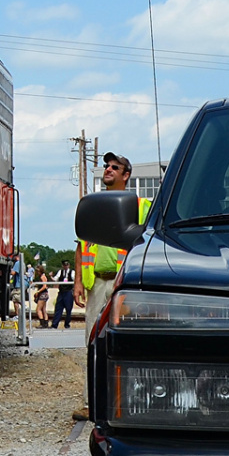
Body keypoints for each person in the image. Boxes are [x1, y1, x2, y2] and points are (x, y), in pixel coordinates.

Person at [74, 151, 148, 420]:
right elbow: (81, 245)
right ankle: (90, 403)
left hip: (123, 285)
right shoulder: (94, 205)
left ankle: (128, 402)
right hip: (98, 285)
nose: (108, 169)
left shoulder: (143, 207)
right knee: (92, 343)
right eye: (106, 166)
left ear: (126, 175)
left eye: (114, 167)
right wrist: (78, 282)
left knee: (125, 342)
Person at [53, 262, 76, 329]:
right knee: (58, 308)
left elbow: (74, 279)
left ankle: (67, 324)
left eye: (67, 265)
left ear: (69, 265)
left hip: (68, 292)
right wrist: (51, 277)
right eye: (64, 265)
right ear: (62, 265)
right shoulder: (60, 272)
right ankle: (55, 324)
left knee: (68, 309)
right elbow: (55, 278)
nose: (65, 266)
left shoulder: (72, 272)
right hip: (61, 292)